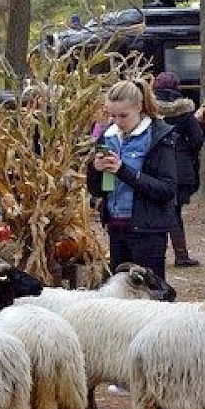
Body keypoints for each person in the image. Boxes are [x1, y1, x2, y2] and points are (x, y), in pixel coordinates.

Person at [87, 79, 178, 281]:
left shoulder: (159, 137)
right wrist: (95, 170)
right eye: (113, 116)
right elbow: (97, 190)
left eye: (123, 116)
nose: (118, 122)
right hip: (116, 227)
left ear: (139, 107)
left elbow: (167, 190)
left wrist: (123, 170)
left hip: (147, 229)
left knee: (149, 294)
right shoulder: (108, 137)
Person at [152, 72, 205, 267]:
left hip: (155, 167)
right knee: (174, 212)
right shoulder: (183, 111)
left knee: (157, 210)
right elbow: (197, 138)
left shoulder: (150, 111)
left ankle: (157, 253)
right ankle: (181, 254)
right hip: (180, 167)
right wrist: (188, 154)